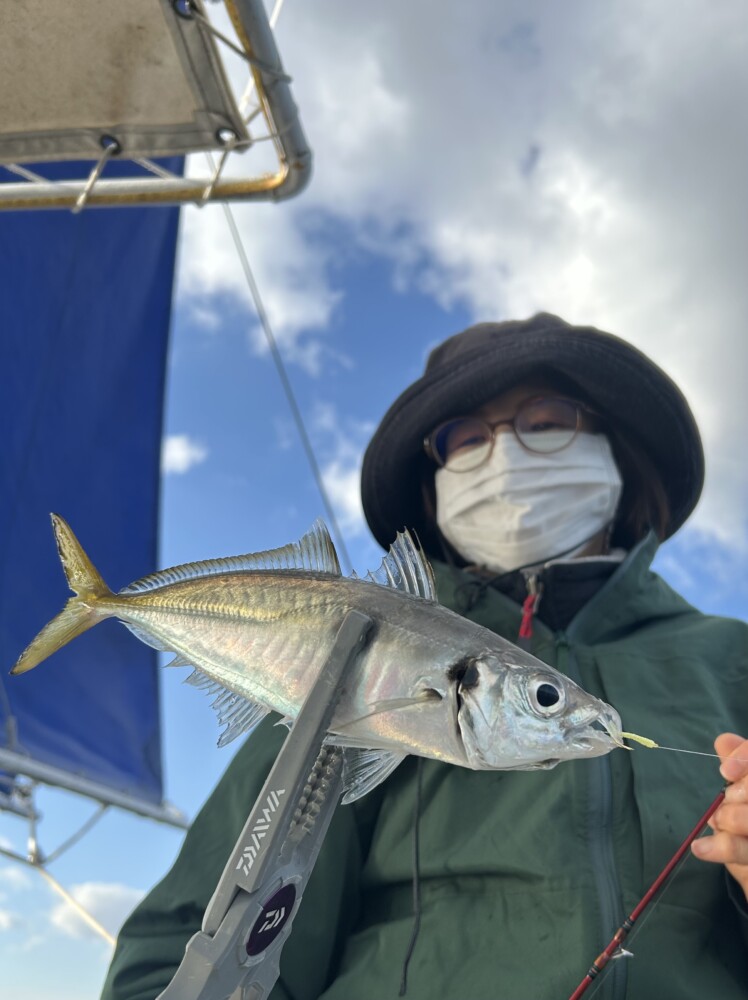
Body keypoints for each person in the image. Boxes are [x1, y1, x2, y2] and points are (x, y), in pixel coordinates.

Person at [100, 313, 748, 1000]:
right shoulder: (340, 657)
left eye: (549, 419)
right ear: (432, 488)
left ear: (617, 449)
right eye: (466, 439)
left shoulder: (732, 659)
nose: (504, 457)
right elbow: (181, 958)